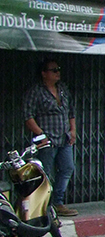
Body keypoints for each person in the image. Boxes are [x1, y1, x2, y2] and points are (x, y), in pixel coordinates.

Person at [23, 58, 78, 217]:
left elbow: (71, 111)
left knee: (67, 167)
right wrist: (41, 134)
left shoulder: (62, 89)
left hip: (64, 137)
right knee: (46, 172)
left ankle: (57, 201)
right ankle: (44, 206)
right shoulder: (36, 91)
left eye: (58, 69)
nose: (57, 73)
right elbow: (28, 116)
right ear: (44, 73)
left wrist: (73, 129)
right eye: (53, 70)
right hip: (47, 139)